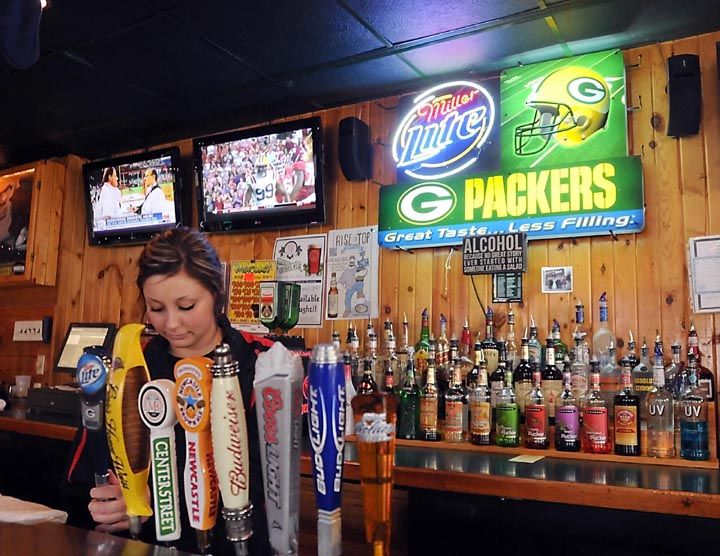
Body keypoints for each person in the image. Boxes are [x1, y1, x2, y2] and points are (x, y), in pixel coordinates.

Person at [87, 227, 272, 555]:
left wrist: (156, 499)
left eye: (186, 306)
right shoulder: (131, 368)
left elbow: (265, 478)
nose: (171, 323)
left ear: (217, 293)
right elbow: (93, 464)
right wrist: (110, 500)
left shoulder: (262, 362)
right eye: (156, 309)